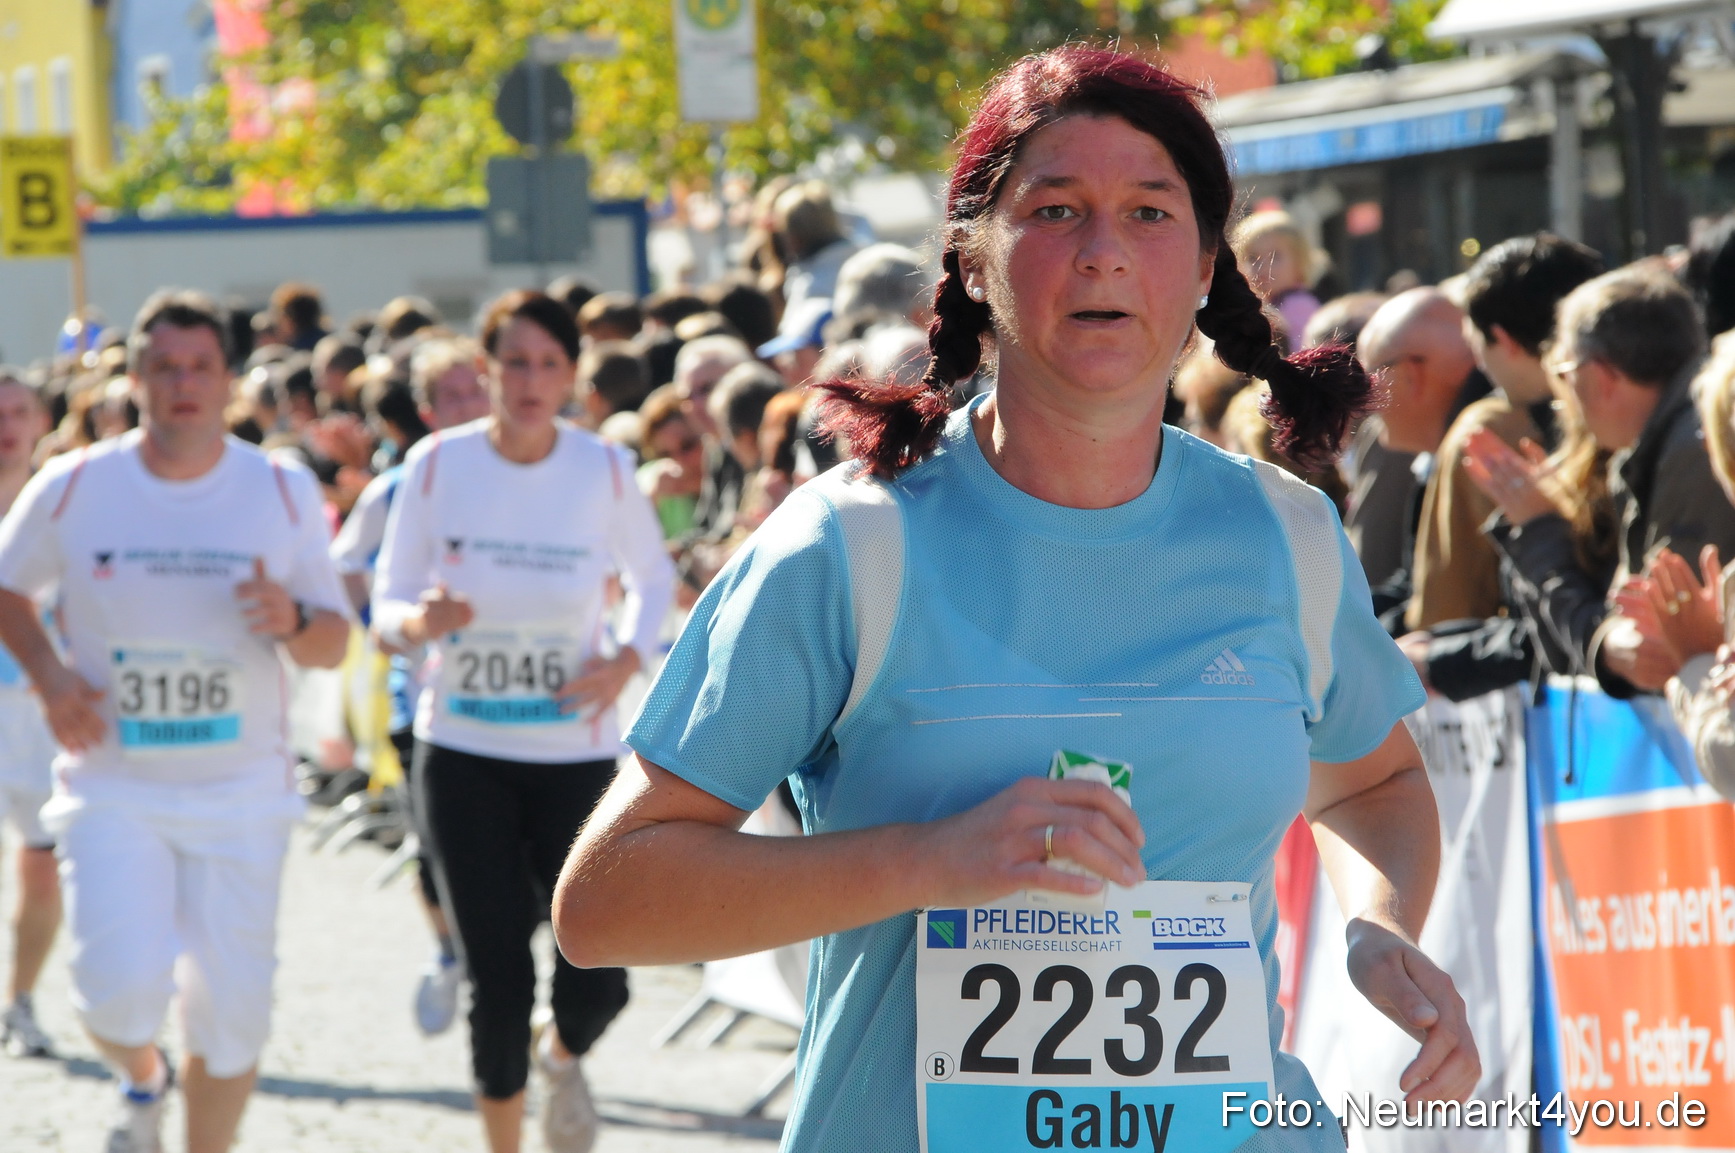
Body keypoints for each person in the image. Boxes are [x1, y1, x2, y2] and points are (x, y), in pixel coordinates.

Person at [554, 46, 1476, 1153]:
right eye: (1055, 209)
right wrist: (931, 859)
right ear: (974, 260)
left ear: (1201, 269)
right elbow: (603, 902)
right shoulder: (849, 545)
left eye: (1148, 212)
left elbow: (1372, 782)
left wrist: (1376, 926)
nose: (1103, 253)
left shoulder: (1285, 534)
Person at [0, 290, 351, 1153]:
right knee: (111, 994)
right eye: (165, 367)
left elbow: (334, 643)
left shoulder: (278, 487)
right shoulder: (77, 484)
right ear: (138, 377)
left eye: (200, 367)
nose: (183, 384)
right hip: (115, 784)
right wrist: (49, 675)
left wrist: (292, 620)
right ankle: (142, 1075)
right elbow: (9, 588)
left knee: (231, 1019)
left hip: (242, 794)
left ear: (228, 381)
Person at [372, 290, 674, 1153]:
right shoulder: (437, 465)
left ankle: (563, 1050)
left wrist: (624, 655)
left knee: (598, 973)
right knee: (497, 977)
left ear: (572, 374)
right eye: (515, 363)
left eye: (549, 363)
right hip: (462, 749)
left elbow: (650, 578)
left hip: (574, 754)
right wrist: (419, 624)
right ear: (486, 368)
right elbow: (387, 607)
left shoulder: (603, 470)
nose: (531, 381)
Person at [1467, 268, 1735, 696]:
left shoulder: (1691, 448)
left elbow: (1652, 653)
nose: (1564, 398)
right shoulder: (1666, 440)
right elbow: (1603, 648)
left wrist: (1540, 531)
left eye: (1565, 371)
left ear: (1601, 376)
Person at [329, 335, 492, 1037]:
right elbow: (345, 563)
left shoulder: (536, 470)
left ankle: (506, 968)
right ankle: (450, 948)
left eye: (470, 389)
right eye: (446, 395)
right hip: (421, 695)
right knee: (435, 841)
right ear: (425, 411)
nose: (462, 406)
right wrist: (389, 623)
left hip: (517, 701)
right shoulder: (401, 482)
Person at [1396, 234, 1603, 700]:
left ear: (1502, 340)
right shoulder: (1629, 423)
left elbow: (1445, 604)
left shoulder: (1489, 430)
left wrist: (1443, 658)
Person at [1355, 288, 1491, 630]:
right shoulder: (1440, 453)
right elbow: (1412, 585)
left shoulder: (1489, 449)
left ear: (1411, 375)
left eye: (1367, 380)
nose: (1364, 403)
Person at [0, 369, 60, 1060]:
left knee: (42, 866)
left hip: (38, 711)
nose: (8, 424)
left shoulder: (59, 502)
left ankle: (19, 999)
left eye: (18, 411)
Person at [1232, 210, 1322, 347]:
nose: (1263, 266)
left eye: (1275, 257)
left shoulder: (1298, 304)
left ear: (1299, 262)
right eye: (1252, 258)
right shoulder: (1257, 303)